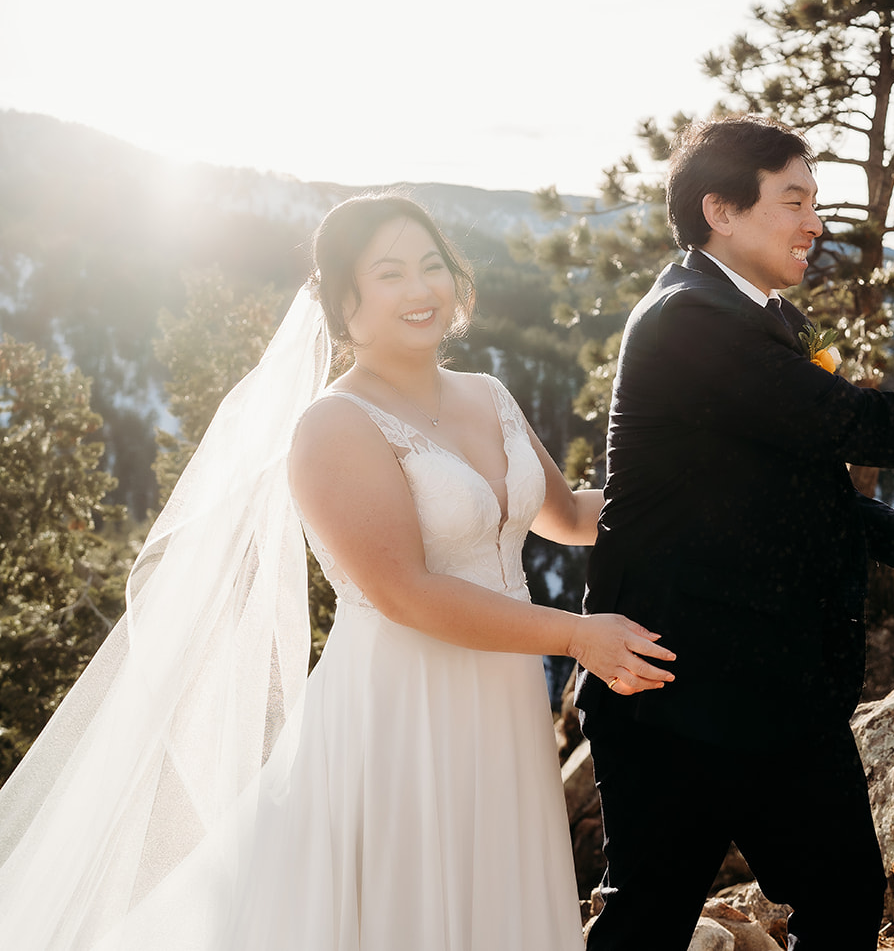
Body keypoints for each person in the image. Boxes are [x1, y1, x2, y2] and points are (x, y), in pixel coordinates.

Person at [0, 194, 673, 950]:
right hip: (400, 706)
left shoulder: (489, 393)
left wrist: (693, 483)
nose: (421, 290)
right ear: (342, 301)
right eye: (389, 273)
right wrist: (578, 635)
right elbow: (405, 592)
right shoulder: (333, 425)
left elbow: (569, 516)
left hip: (504, 700)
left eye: (431, 266)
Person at [577, 116, 894, 951]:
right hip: (674, 688)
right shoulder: (686, 319)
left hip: (775, 689)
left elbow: (787, 487)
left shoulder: (755, 316)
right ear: (720, 209)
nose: (816, 222)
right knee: (650, 914)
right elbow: (851, 421)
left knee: (845, 892)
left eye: (815, 200)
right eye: (794, 200)